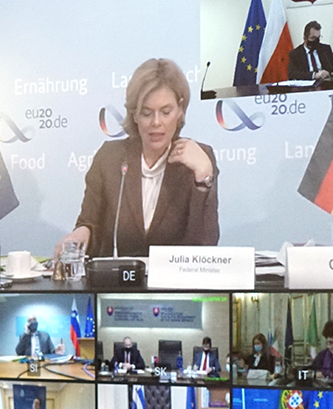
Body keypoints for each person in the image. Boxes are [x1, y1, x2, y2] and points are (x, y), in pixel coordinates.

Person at [57, 58, 218, 261]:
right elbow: (89, 223)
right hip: (117, 279)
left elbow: (206, 245)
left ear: (180, 110)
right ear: (134, 115)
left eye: (166, 112)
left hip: (173, 281)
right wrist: (80, 234)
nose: (156, 122)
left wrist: (203, 177)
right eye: (146, 113)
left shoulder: (199, 159)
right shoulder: (110, 158)